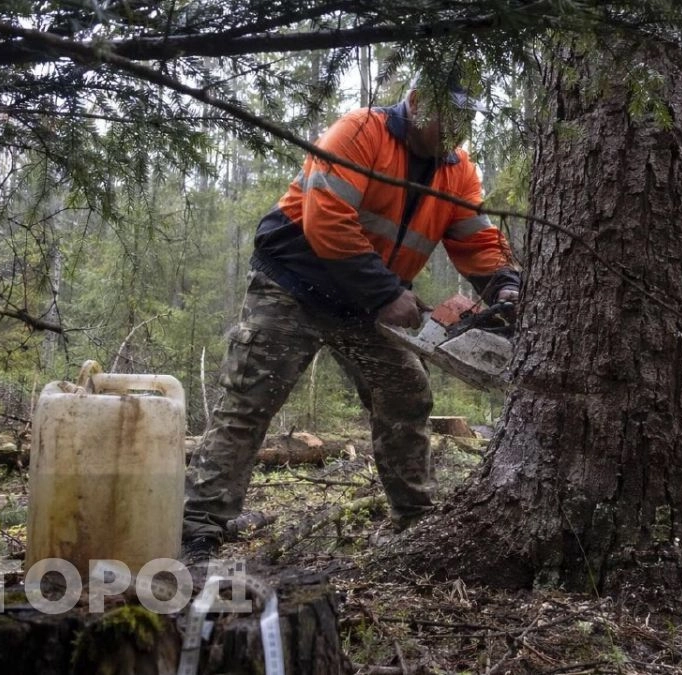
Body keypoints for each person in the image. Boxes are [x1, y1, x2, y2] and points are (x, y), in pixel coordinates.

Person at [182, 74, 521, 557]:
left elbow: (477, 239)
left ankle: (415, 522)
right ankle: (199, 525)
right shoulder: (360, 132)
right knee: (248, 399)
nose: (457, 130)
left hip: (364, 301)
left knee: (405, 393)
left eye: (466, 118)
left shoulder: (457, 171)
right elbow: (328, 219)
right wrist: (386, 294)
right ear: (417, 102)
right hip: (293, 286)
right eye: (450, 116)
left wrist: (505, 283)